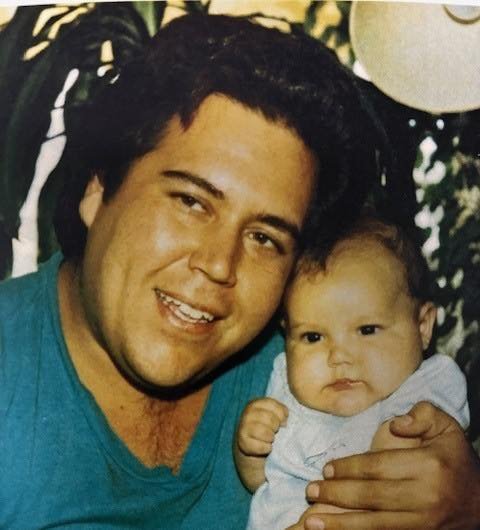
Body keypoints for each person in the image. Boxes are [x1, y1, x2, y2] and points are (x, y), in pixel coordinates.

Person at [0, 12, 479, 530]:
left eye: (265, 238)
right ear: (98, 191)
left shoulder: (317, 358)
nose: (218, 265)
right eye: (191, 202)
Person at [235, 214, 469, 529]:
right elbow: (262, 482)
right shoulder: (286, 390)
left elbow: (401, 470)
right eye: (313, 337)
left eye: (367, 330)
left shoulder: (427, 387)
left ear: (423, 326)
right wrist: (251, 449)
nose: (339, 356)